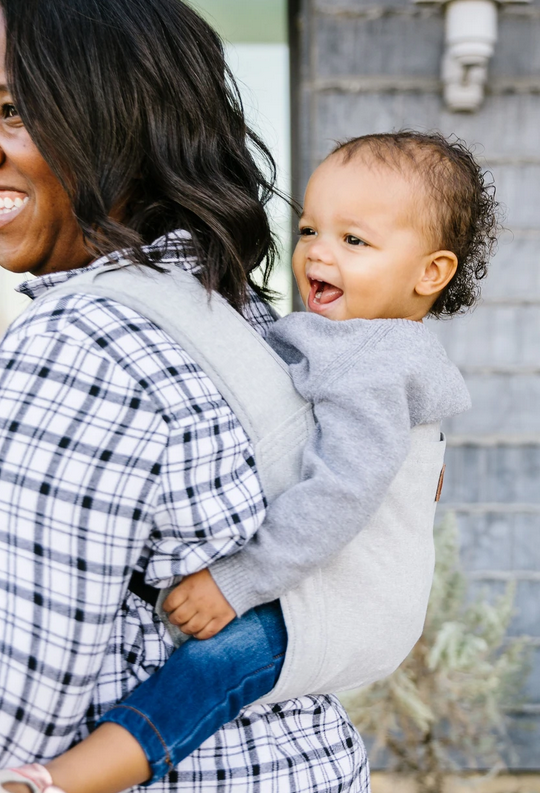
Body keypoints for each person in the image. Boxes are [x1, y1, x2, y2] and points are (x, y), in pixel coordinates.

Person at [1, 129, 499, 793]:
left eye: (354, 240)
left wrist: (236, 579)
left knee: (209, 672)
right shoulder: (338, 337)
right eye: (310, 229)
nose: (319, 251)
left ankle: (57, 780)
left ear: (430, 273)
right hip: (327, 603)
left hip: (336, 599)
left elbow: (341, 493)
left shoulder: (376, 365)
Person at [0, 0, 372, 791]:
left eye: (12, 111)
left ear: (116, 124)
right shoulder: (235, 311)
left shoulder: (80, 343)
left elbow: (18, 709)